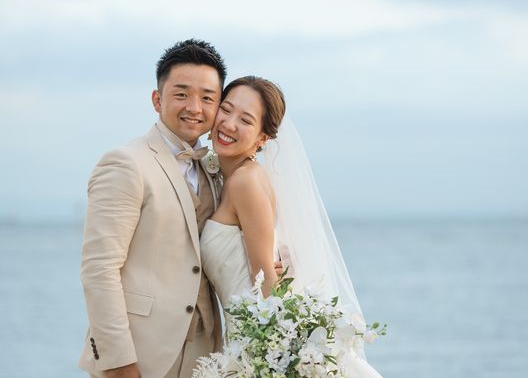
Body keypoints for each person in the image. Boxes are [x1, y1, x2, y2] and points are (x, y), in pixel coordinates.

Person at [200, 76, 382, 376]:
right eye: (226, 109)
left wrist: (273, 361)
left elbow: (266, 281)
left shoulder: (245, 181)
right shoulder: (236, 176)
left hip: (256, 348)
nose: (229, 124)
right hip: (244, 341)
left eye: (245, 120)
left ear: (263, 138)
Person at [79, 39, 226, 378]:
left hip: (206, 354)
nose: (195, 107)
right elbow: (99, 269)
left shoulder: (216, 169)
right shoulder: (126, 163)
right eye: (182, 94)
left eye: (207, 97)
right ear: (157, 100)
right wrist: (118, 362)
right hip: (140, 353)